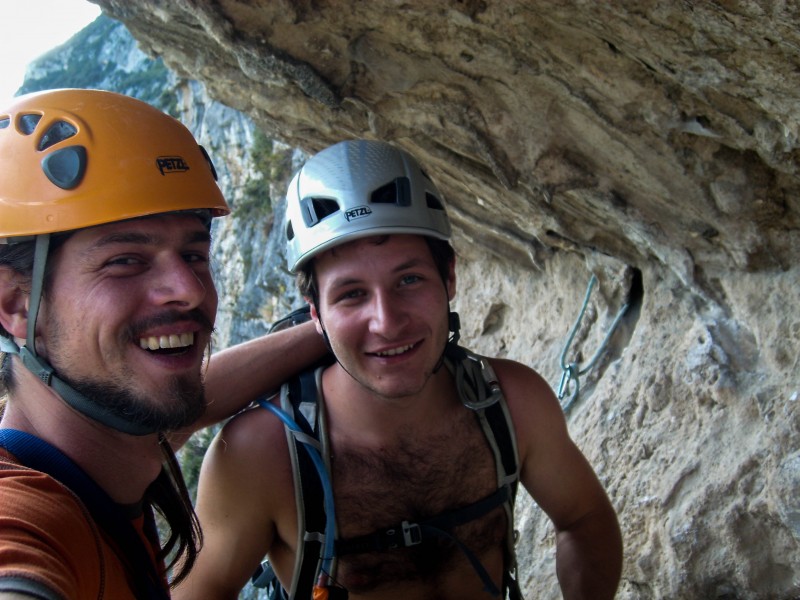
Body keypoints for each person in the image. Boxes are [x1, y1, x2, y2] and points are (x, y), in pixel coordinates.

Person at [176, 139, 623, 600]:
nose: (387, 322)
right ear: (315, 314)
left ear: (448, 278)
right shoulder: (260, 456)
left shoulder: (512, 403)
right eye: (351, 294)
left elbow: (584, 520)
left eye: (409, 280)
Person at [0, 89, 325, 599]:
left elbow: (197, 396)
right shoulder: (26, 519)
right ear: (17, 305)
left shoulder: (113, 444)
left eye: (195, 255)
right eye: (126, 260)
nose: (191, 290)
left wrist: (341, 328)